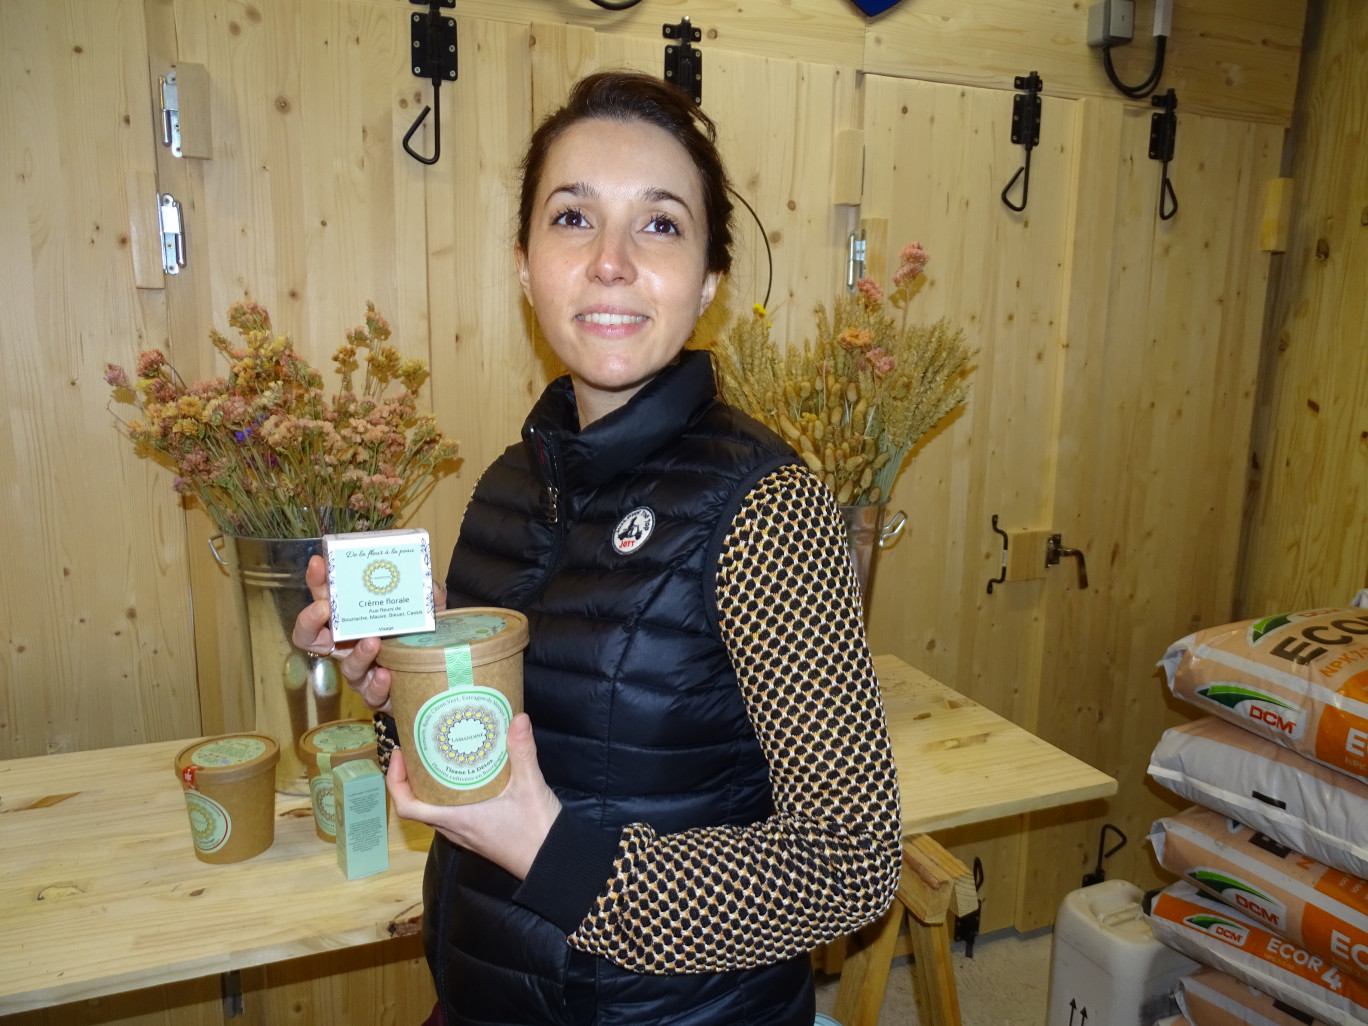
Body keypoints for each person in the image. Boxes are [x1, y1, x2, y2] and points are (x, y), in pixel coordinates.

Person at [294, 70, 901, 1026]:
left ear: (707, 282)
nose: (611, 260)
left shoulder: (767, 506)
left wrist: (556, 853)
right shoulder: (505, 490)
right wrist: (395, 703)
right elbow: (505, 772)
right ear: (525, 264)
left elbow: (850, 862)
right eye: (573, 218)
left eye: (659, 224)